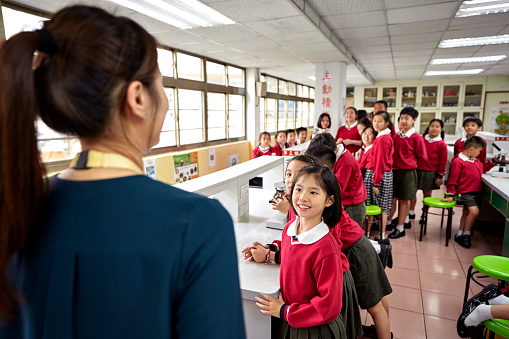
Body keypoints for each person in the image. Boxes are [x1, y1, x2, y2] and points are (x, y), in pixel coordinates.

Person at [0, 6, 245, 338]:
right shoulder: (199, 224)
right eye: (161, 85)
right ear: (138, 97)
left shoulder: (15, 208)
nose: (167, 103)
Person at [244, 155, 362, 339]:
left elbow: (328, 307)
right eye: (298, 189)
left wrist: (285, 311)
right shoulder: (290, 229)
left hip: (314, 327)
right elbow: (294, 253)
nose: (303, 197)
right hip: (294, 315)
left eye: (313, 192)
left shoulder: (326, 249)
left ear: (329, 200)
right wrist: (270, 249)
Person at [305, 147, 393, 339]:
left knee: (374, 305)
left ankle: (385, 333)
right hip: (358, 243)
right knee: (377, 298)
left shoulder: (325, 197)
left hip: (355, 250)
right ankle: (385, 331)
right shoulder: (324, 191)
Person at [443, 136, 497, 248]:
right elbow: (452, 179)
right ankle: (466, 235)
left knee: (466, 213)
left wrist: (494, 161)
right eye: (479, 151)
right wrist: (450, 194)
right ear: (471, 149)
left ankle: (459, 233)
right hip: (466, 192)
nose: (480, 153)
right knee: (474, 212)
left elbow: (484, 168)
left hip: (476, 191)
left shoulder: (476, 161)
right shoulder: (458, 161)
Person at [307, 133, 367, 229]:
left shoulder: (345, 162)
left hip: (352, 206)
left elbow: (336, 188)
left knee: (350, 238)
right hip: (344, 202)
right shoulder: (335, 156)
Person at [388, 107, 428, 239]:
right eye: (401, 118)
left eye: (407, 118)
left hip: (408, 172)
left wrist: (413, 168)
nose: (403, 121)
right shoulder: (397, 135)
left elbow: (423, 157)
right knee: (393, 199)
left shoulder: (417, 137)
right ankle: (391, 221)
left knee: (404, 200)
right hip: (394, 171)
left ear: (414, 120)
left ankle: (401, 228)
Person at [410, 119, 448, 224]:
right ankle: (411, 212)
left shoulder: (441, 144)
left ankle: (424, 214)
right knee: (412, 193)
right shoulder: (421, 139)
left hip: (430, 172)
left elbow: (443, 161)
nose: (434, 128)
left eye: (437, 126)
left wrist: (440, 176)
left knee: (427, 194)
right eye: (432, 126)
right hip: (417, 169)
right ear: (428, 127)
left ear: (441, 129)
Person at [370, 111, 394, 240]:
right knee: (383, 207)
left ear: (386, 123)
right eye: (375, 121)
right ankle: (382, 234)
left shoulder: (382, 139)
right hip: (386, 174)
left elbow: (380, 163)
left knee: (382, 208)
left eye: (380, 121)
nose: (376, 124)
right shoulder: (385, 136)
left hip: (381, 176)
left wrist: (376, 183)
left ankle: (382, 236)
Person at [358, 125, 377, 237]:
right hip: (367, 176)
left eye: (370, 133)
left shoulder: (371, 149)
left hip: (370, 178)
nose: (366, 136)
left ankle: (367, 232)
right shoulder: (365, 148)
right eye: (364, 133)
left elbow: (360, 166)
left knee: (369, 204)